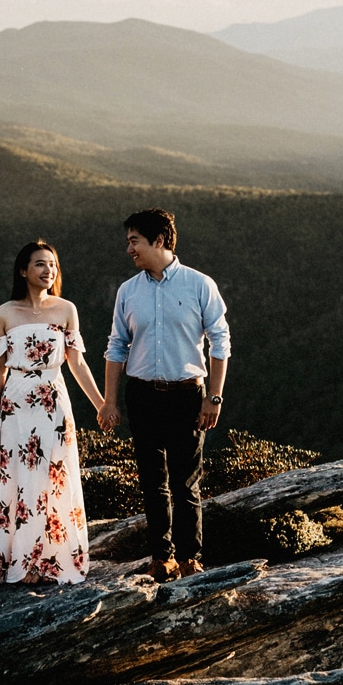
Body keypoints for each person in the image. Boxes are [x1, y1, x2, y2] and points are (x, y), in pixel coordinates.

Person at [96, 208, 230, 582]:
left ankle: (190, 558)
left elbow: (220, 341)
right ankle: (161, 557)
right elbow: (116, 346)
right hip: (142, 395)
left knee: (185, 482)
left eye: (134, 241)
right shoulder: (128, 291)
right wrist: (110, 401)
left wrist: (214, 397)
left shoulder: (199, 285)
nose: (129, 249)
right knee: (152, 482)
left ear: (159, 241)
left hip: (187, 395)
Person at [0, 240, 105, 585]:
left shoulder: (66, 309)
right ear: (23, 271)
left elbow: (77, 363)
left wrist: (102, 405)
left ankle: (56, 559)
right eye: (40, 264)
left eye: (52, 264)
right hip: (16, 403)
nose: (48, 270)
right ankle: (25, 563)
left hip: (54, 398)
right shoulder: (4, 313)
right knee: (21, 478)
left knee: (56, 474)